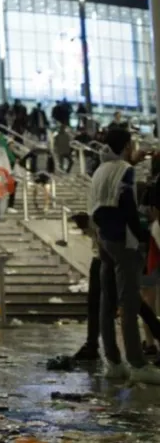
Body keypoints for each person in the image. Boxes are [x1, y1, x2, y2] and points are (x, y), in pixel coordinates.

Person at [88, 128, 160, 383]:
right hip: (123, 241)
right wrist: (141, 236)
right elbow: (127, 206)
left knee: (107, 302)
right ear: (127, 146)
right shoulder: (125, 170)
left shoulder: (101, 170)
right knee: (128, 303)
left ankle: (114, 362)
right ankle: (138, 364)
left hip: (104, 241)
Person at [22, 143, 56, 210]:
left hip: (40, 173)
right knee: (44, 189)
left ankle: (41, 203)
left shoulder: (35, 152)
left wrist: (27, 168)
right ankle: (44, 205)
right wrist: (52, 171)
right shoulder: (46, 152)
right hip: (43, 173)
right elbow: (52, 163)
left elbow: (23, 159)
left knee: (42, 189)